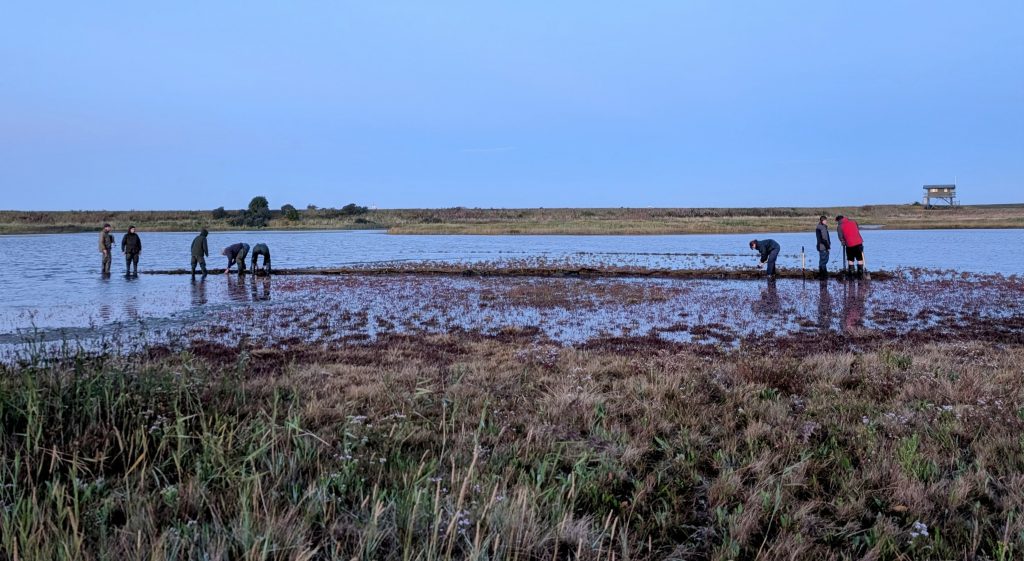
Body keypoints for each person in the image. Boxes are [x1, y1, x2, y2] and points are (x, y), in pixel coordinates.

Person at [815, 215, 831, 280]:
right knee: (824, 261)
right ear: (822, 221)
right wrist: (828, 247)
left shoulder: (818, 227)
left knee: (821, 261)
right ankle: (824, 275)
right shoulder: (822, 228)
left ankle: (822, 276)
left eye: (826, 220)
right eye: (825, 220)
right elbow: (824, 239)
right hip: (823, 247)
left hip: (820, 246)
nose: (826, 221)